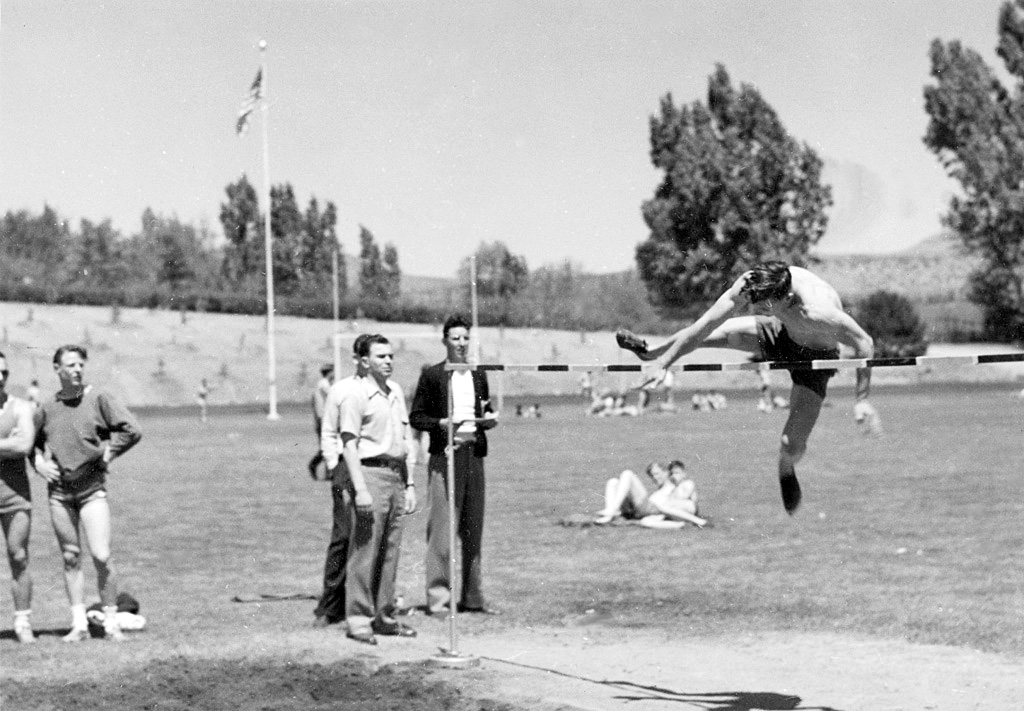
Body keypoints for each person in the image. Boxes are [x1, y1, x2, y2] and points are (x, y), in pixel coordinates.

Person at [617, 261, 879, 514]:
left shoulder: (818, 312)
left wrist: (862, 399)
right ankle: (650, 352)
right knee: (716, 333)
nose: (756, 306)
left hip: (816, 356)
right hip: (781, 333)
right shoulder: (752, 284)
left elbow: (864, 343)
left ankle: (785, 467)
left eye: (765, 304)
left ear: (786, 298)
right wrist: (663, 362)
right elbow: (705, 325)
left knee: (790, 444)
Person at [32, 344, 142, 642]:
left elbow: (132, 429)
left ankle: (111, 622)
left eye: (81, 364)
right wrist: (39, 463)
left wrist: (109, 453)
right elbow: (30, 441)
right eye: (71, 365)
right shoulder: (47, 407)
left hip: (92, 491)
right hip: (59, 494)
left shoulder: (98, 398)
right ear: (57, 369)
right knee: (70, 557)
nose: (77, 369)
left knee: (101, 556)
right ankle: (79, 624)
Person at [325, 334, 417, 645]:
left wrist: (410, 484)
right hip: (369, 474)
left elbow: (405, 440)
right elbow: (349, 445)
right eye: (381, 356)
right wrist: (361, 489)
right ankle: (359, 620)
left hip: (395, 476)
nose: (388, 361)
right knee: (365, 551)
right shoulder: (355, 394)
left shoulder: (395, 392)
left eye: (390, 356)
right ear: (364, 361)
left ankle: (384, 617)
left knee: (390, 552)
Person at [410, 314, 499, 616]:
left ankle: (473, 598)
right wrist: (441, 423)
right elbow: (417, 417)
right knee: (442, 533)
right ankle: (439, 601)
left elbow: (484, 409)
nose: (461, 343)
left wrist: (489, 419)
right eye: (455, 338)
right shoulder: (433, 375)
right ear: (445, 340)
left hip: (474, 457)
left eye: (465, 338)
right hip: (446, 458)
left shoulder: (478, 374)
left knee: (473, 531)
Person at [313, 339, 369, 628]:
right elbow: (328, 431)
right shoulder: (342, 389)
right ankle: (330, 606)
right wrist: (335, 465)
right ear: (357, 359)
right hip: (345, 470)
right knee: (343, 536)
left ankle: (366, 602)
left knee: (370, 538)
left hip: (374, 470)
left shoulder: (387, 390)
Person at [0, 352, 38, 643]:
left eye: (4, 372)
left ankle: (22, 621)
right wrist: (7, 443)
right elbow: (14, 444)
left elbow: (24, 444)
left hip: (14, 495)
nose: (0, 378)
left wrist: (16, 442)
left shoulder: (21, 407)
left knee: (19, 556)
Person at [594, 459, 707, 528]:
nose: (654, 478)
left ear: (666, 473)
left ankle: (612, 510)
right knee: (613, 482)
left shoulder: (674, 487)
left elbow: (686, 500)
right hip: (640, 510)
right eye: (652, 476)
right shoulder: (661, 490)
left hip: (649, 509)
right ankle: (610, 513)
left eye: (657, 474)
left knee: (627, 474)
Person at [308, 364, 334, 480]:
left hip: (323, 419)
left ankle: (329, 473)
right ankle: (313, 465)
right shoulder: (324, 384)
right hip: (323, 420)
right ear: (330, 372)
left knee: (328, 447)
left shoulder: (323, 384)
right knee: (326, 447)